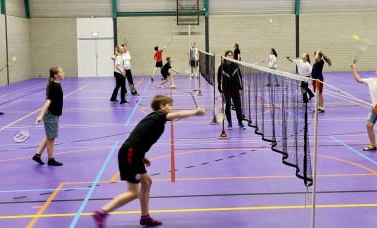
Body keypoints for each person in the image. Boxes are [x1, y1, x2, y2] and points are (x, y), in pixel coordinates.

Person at [92, 95, 205, 227]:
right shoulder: (159, 116)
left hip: (133, 153)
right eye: (167, 104)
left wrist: (141, 157)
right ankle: (102, 212)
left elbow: (140, 136)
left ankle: (145, 217)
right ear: (161, 107)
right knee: (133, 192)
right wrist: (195, 111)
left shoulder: (154, 118)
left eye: (170, 104)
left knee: (147, 181)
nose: (170, 107)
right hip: (130, 153)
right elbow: (178, 114)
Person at [32, 66, 65, 166]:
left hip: (53, 114)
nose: (64, 73)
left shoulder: (56, 84)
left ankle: (37, 155)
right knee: (51, 138)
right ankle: (51, 160)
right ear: (56, 75)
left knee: (49, 135)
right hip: (51, 115)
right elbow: (48, 101)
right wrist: (40, 115)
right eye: (61, 72)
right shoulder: (54, 86)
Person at [218, 50, 246, 130]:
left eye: (231, 55)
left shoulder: (235, 66)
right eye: (228, 55)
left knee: (238, 106)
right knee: (228, 106)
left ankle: (240, 123)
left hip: (235, 89)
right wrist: (220, 90)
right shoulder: (222, 67)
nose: (230, 56)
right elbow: (219, 80)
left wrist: (240, 88)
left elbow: (239, 77)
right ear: (225, 56)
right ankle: (230, 123)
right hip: (226, 89)